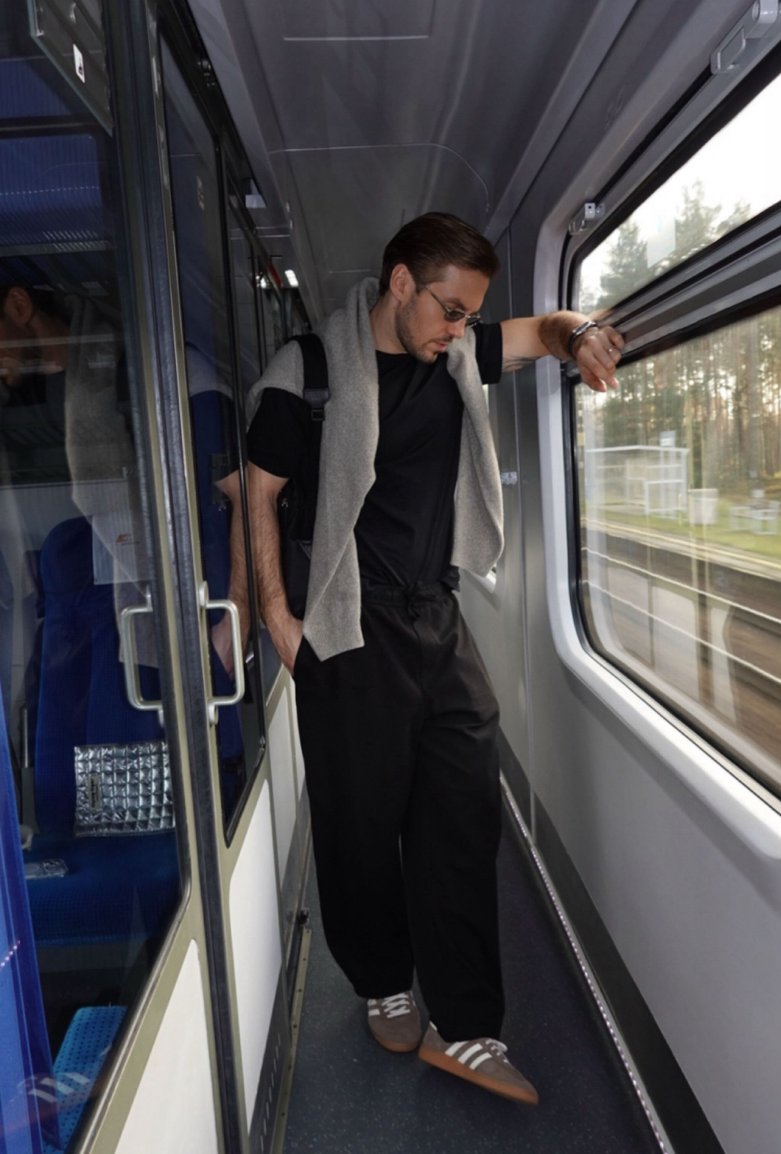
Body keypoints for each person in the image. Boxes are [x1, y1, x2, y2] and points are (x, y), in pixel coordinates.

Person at [244, 212, 622, 1106]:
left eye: (470, 316)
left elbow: (541, 332)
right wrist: (274, 616)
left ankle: (470, 1028)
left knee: (461, 813)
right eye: (450, 309)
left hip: (434, 615)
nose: (462, 331)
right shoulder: (307, 376)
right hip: (346, 625)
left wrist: (581, 334)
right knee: (360, 825)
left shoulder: (451, 353)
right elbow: (259, 497)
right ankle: (383, 976)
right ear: (401, 282)